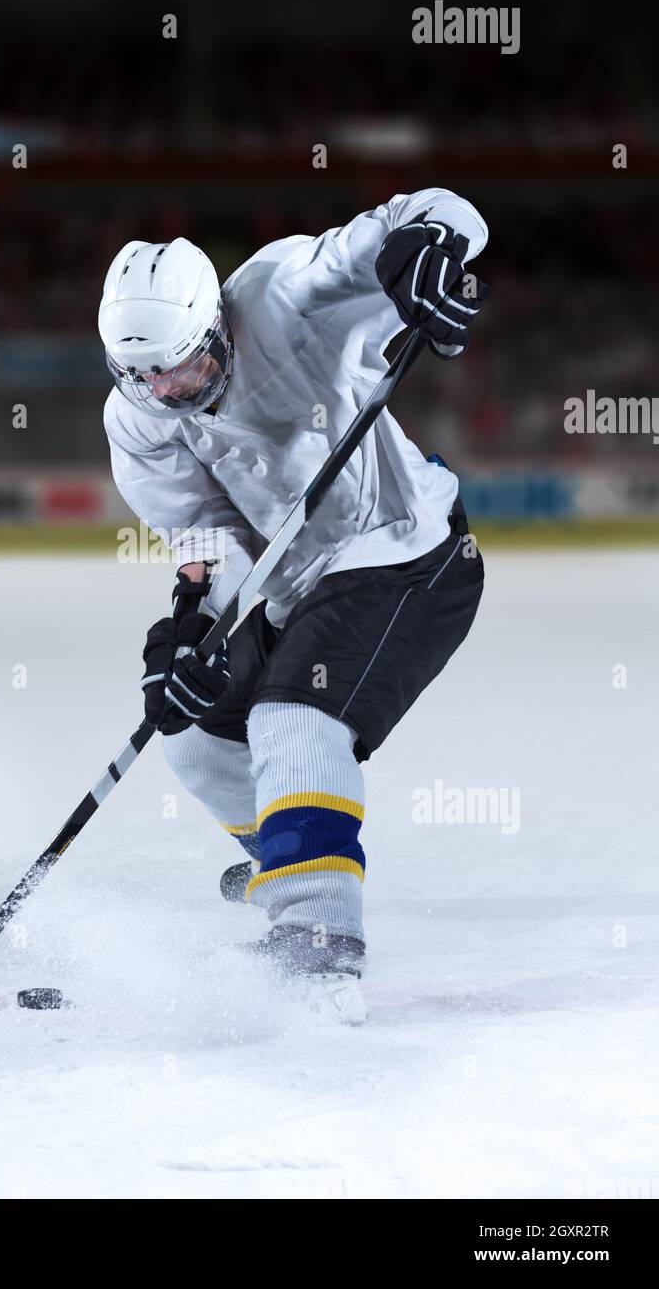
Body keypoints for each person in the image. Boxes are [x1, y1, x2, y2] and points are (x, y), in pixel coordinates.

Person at [98, 190, 489, 1022]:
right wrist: (190, 634)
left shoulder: (285, 292)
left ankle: (315, 951)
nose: (167, 389)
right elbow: (206, 540)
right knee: (197, 743)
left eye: (184, 364)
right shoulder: (137, 419)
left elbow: (433, 212)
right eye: (143, 374)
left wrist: (425, 249)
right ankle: (288, 859)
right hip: (294, 581)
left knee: (291, 723)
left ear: (219, 327)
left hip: (404, 550)